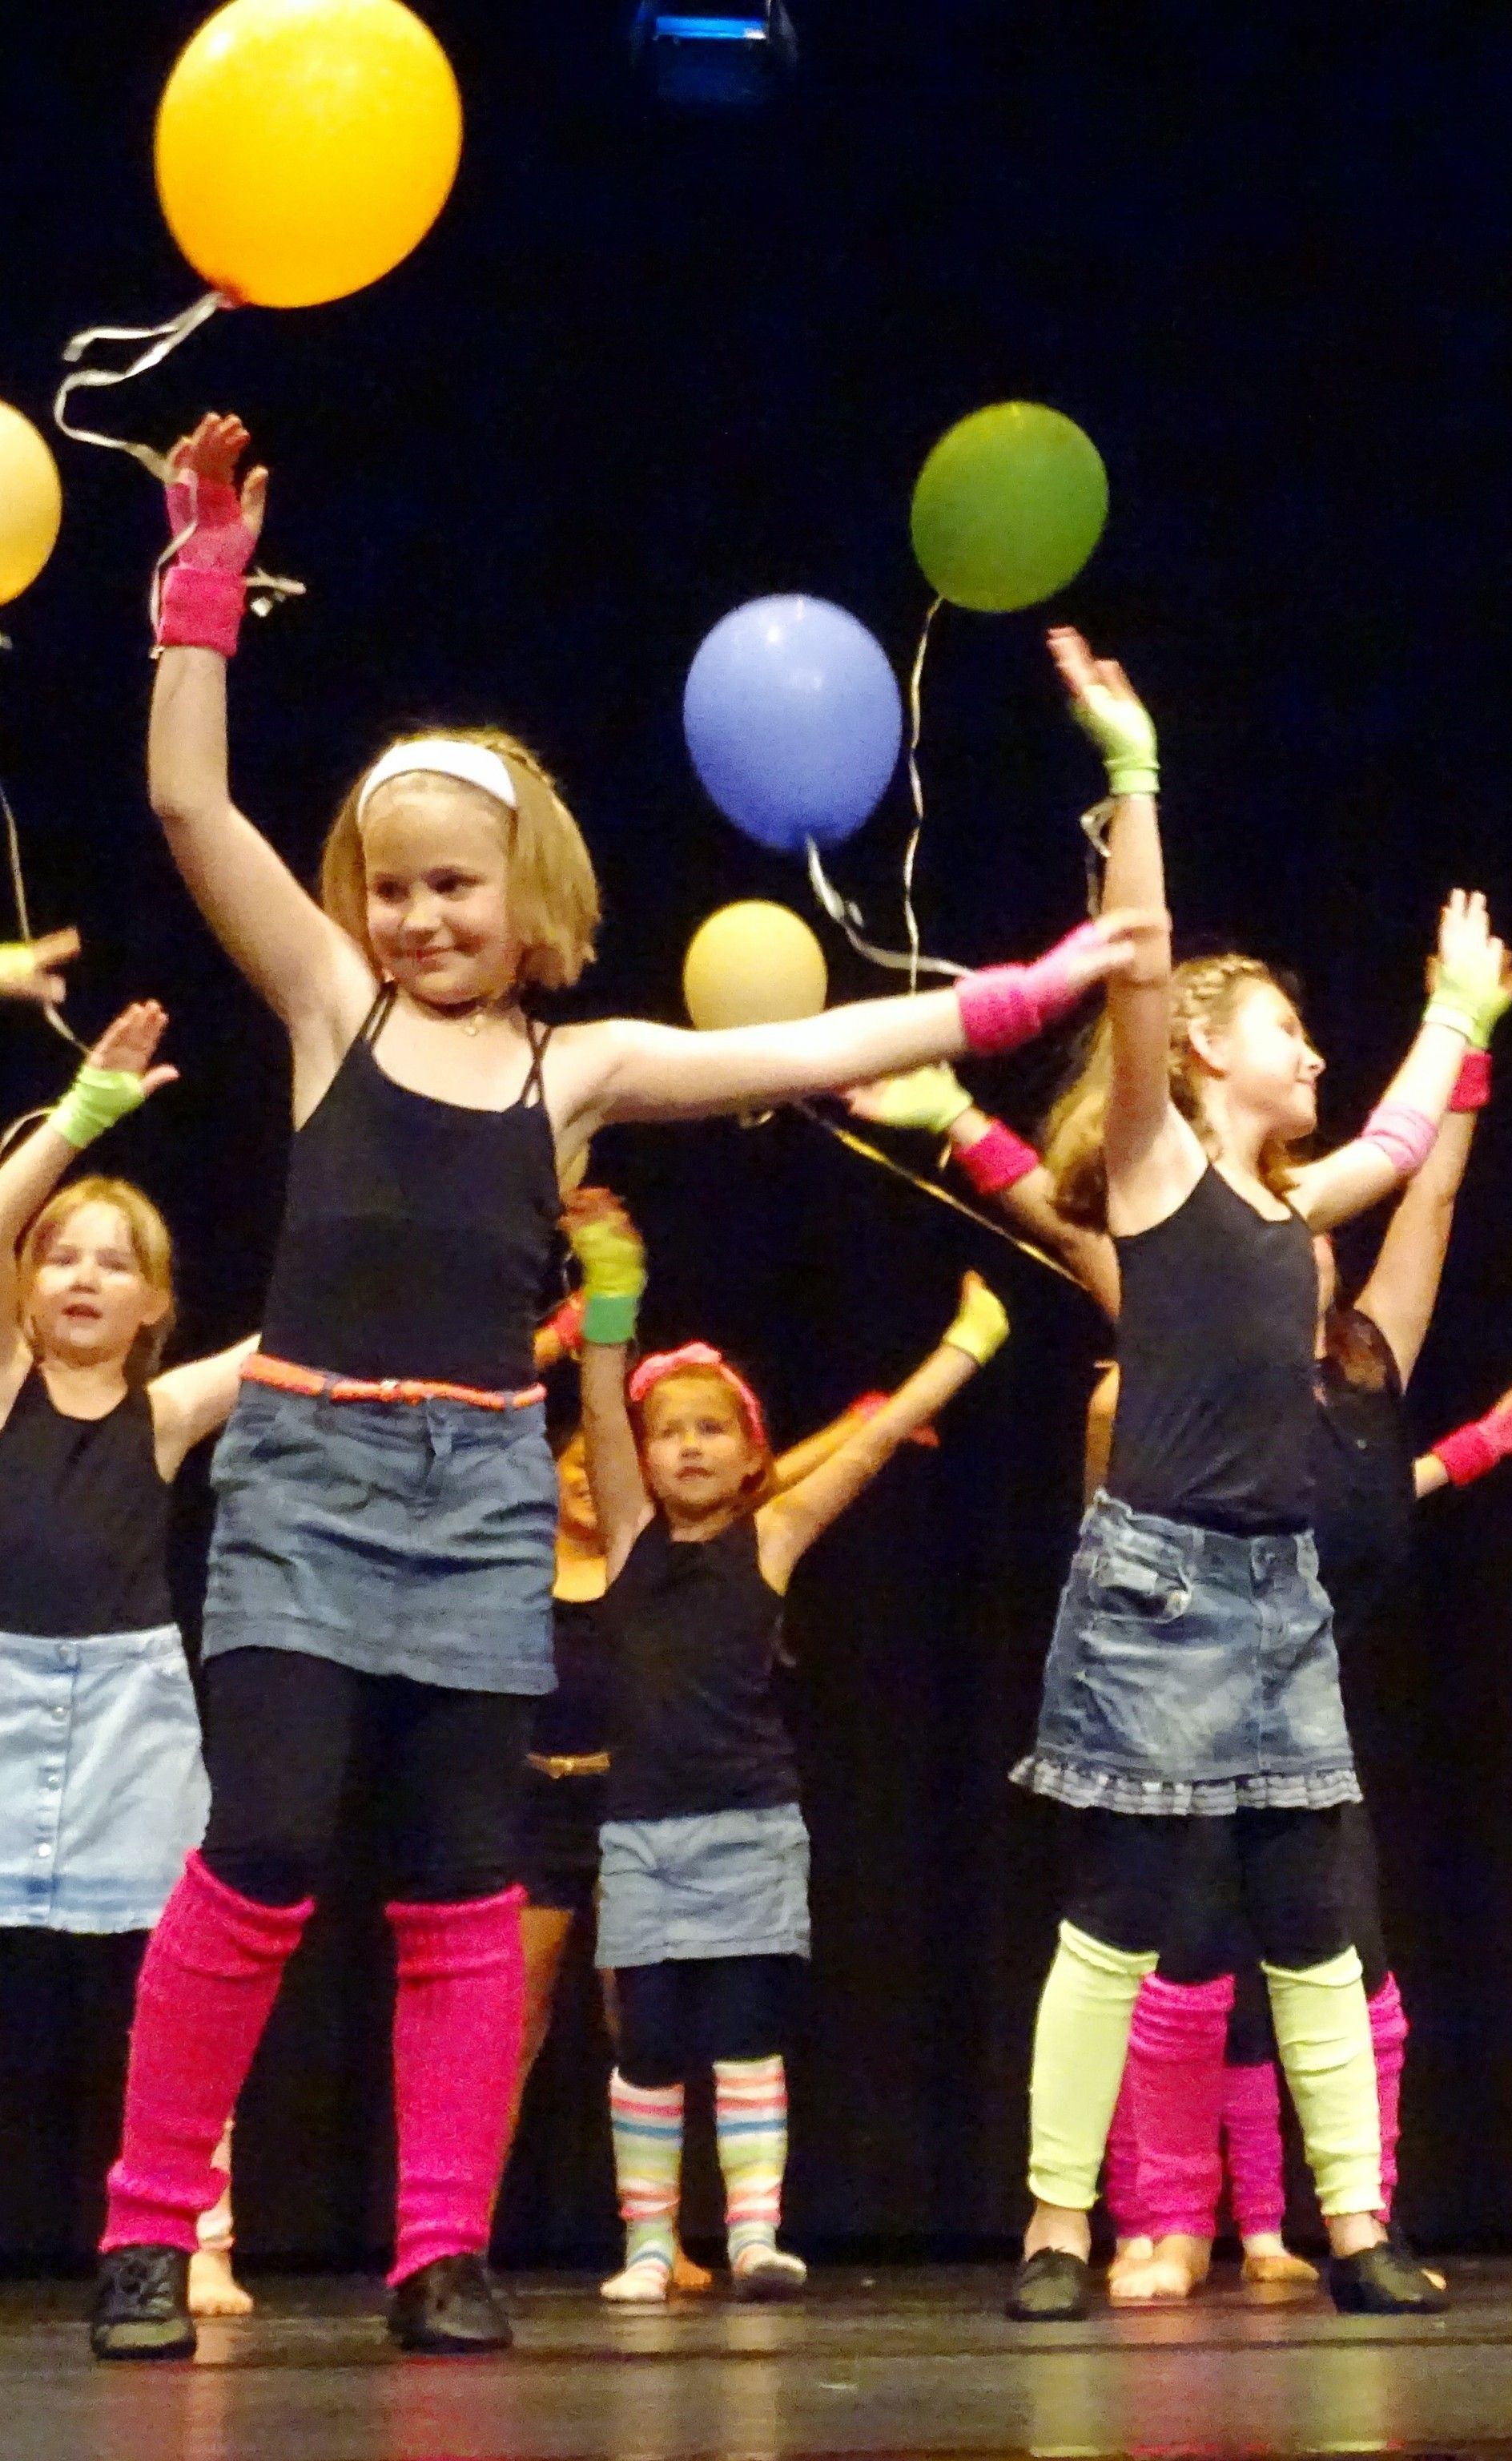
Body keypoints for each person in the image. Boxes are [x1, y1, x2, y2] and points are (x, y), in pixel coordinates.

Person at [90, 413, 1145, 2363]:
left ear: (525, 894)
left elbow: (815, 1045)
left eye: (453, 891)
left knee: (466, 1882)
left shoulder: (570, 1075)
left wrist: (1023, 994)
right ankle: (151, 2226)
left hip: (486, 1508)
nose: (419, 920)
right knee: (265, 1842)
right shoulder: (331, 1016)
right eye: (389, 888)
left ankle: (438, 2248)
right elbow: (184, 808)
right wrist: (204, 585)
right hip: (313, 1485)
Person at [1004, 626, 1509, 2321]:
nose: (1314, 1051)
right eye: (1290, 1028)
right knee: (1126, 1908)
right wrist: (1135, 775)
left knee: (1312, 1907)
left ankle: (1355, 2222)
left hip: (1278, 1594)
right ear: (1216, 1053)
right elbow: (1139, 969)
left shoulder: (1300, 1214)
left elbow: (1395, 1137)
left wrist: (1452, 1015)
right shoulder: (1154, 1168)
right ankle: (1057, 2224)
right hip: (1156, 1587)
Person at [568, 1193, 1007, 2302]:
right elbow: (601, 1415)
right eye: (670, 1432)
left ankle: (755, 2235)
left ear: (752, 1450)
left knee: (745, 2033)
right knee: (651, 2041)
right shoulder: (625, 1540)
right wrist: (610, 1289)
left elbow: (866, 1448)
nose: (688, 1446)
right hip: (645, 1838)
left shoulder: (771, 1537)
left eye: (713, 1428)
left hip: (754, 1828)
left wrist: (964, 1347)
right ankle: (652, 2248)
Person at [0, 1007, 255, 2314]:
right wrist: (82, 1119)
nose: (84, 1278)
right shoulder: (2, 1382)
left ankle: (196, 2229)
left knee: (185, 1975)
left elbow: (296, 1344)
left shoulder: (160, 1414)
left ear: (154, 1301)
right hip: (2, 1700)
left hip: (132, 1715)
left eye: (115, 1263)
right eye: (59, 1258)